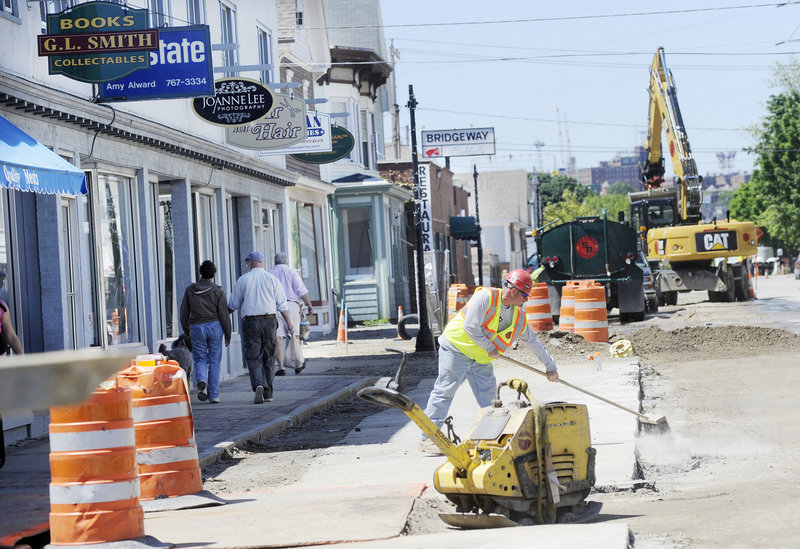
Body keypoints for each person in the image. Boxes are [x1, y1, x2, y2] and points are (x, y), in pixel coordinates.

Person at [419, 269, 559, 455]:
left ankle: (492, 438)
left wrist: (550, 367)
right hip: (456, 348)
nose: (526, 300)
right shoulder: (486, 297)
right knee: (444, 391)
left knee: (490, 399)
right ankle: (428, 438)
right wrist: (489, 347)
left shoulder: (518, 317)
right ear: (515, 291)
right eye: (525, 295)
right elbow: (470, 326)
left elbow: (533, 343)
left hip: (480, 359)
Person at [228, 251, 294, 404]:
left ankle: (258, 384)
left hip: (251, 323)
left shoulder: (243, 280)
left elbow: (233, 304)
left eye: (247, 262)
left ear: (250, 262)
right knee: (268, 355)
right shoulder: (272, 279)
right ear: (262, 263)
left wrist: (221, 316)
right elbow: (282, 305)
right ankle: (269, 392)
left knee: (253, 356)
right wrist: (289, 324)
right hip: (270, 321)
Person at [180, 260, 231, 404]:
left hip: (197, 327)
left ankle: (201, 381)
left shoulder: (190, 290)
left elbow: (184, 312)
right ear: (213, 273)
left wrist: (186, 330)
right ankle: (214, 395)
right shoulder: (218, 291)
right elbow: (224, 315)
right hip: (215, 326)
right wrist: (228, 334)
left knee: (200, 358)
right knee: (214, 361)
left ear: (200, 272)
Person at [268, 252, 313, 376]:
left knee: (278, 338)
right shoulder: (291, 272)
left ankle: (281, 367)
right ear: (286, 261)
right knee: (294, 335)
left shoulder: (270, 273)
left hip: (275, 307)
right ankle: (297, 364)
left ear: (275, 261)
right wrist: (309, 304)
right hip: (291, 306)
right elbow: (301, 291)